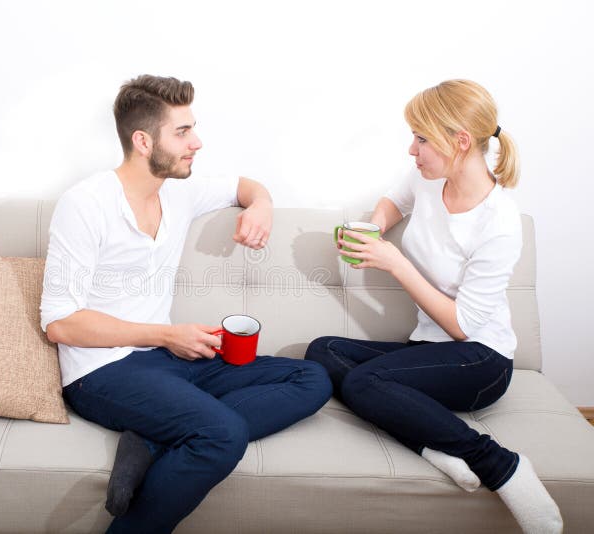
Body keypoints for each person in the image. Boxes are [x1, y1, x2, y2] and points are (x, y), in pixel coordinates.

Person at [40, 74, 331, 534]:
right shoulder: (85, 205)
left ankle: (151, 441)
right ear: (142, 140)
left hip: (168, 359)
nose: (196, 142)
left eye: (193, 128)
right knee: (222, 434)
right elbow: (61, 324)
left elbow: (246, 187)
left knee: (312, 376)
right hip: (103, 371)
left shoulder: (180, 189)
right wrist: (166, 335)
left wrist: (262, 205)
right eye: (182, 132)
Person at [305, 79, 563, 534]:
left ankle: (500, 464)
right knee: (322, 351)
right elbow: (394, 201)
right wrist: (374, 229)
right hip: (426, 348)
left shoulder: (499, 221)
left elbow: (464, 327)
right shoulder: (429, 179)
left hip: (482, 360)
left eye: (421, 138)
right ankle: (434, 448)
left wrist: (396, 264)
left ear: (460, 142)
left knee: (365, 382)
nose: (412, 149)